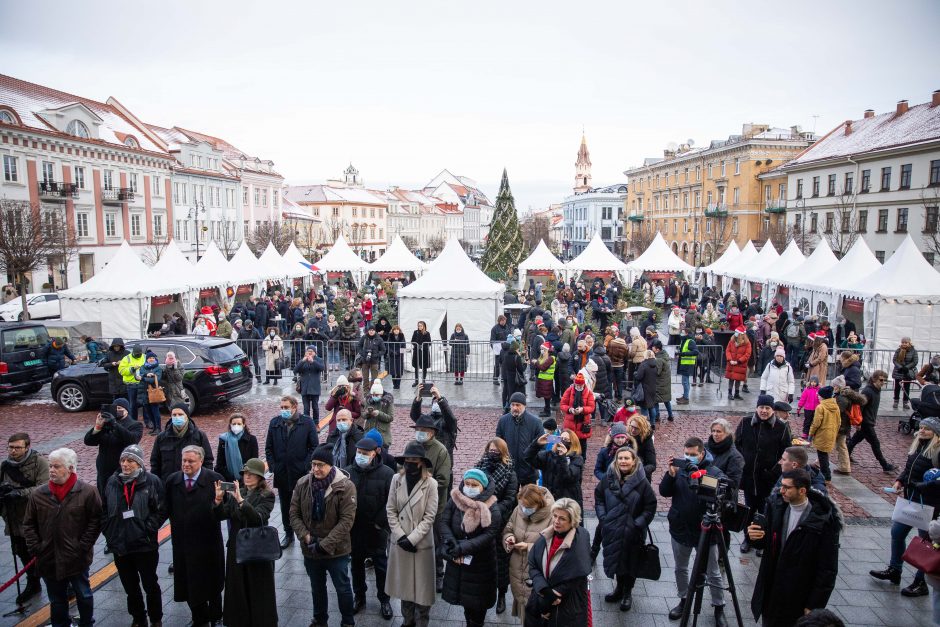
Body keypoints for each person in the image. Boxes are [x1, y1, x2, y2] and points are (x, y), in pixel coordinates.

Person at [747, 469, 842, 627]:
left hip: (798, 592)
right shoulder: (776, 505)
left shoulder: (823, 521)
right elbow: (767, 543)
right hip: (772, 588)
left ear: (802, 490)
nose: (781, 490)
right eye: (782, 486)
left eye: (787, 487)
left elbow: (827, 569)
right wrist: (755, 537)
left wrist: (814, 604)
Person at [24, 449, 101, 624]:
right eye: (50, 466)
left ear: (71, 468)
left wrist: (82, 546)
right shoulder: (38, 494)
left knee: (84, 594)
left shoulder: (88, 492)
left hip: (76, 557)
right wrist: (37, 547)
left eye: (57, 466)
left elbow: (95, 521)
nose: (51, 470)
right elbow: (28, 524)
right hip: (48, 558)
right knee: (56, 599)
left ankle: (86, 622)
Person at [660, 437, 729, 626]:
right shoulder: (680, 469)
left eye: (693, 455)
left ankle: (719, 606)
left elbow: (719, 499)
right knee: (680, 568)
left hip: (705, 530)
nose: (689, 458)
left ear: (702, 453)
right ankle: (684, 600)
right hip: (680, 528)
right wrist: (670, 474)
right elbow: (665, 492)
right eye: (686, 454)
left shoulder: (713, 472)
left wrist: (701, 480)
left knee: (712, 571)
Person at [869, 417, 940, 597]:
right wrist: (901, 479)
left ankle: (920, 581)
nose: (922, 431)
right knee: (897, 533)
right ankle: (895, 569)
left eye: (927, 429)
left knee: (926, 543)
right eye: (921, 427)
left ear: (937, 434)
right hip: (911, 499)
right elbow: (910, 468)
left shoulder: (937, 451)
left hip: (929, 503)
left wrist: (927, 486)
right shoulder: (918, 446)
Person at [290, 444, 358, 627]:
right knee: (317, 587)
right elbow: (294, 513)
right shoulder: (303, 483)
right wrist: (305, 536)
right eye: (313, 464)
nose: (316, 469)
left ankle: (348, 622)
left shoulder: (345, 487)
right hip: (310, 547)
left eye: (320, 465)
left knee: (343, 588)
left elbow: (346, 521)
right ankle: (320, 620)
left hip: (337, 550)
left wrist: (324, 544)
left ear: (331, 465)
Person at [101, 445, 166, 627]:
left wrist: (147, 529)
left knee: (150, 585)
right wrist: (108, 530)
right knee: (130, 587)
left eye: (130, 460)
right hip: (120, 545)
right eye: (123, 460)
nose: (125, 464)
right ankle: (138, 618)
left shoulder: (152, 481)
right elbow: (104, 509)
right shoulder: (112, 482)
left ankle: (156, 619)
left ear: (139, 463)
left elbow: (160, 510)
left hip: (144, 545)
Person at [213, 458, 277, 627]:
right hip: (237, 546)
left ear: (259, 477)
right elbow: (222, 515)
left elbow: (258, 518)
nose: (246, 477)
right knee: (237, 587)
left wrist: (242, 501)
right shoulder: (238, 492)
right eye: (244, 474)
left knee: (258, 588)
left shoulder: (267, 495)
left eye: (251, 474)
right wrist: (218, 501)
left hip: (257, 547)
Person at [165, 445, 225, 626]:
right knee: (189, 581)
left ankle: (215, 616)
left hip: (208, 543)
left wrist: (217, 503)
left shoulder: (215, 480)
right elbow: (165, 508)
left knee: (212, 582)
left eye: (191, 461)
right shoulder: (173, 481)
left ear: (201, 461)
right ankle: (199, 617)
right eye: (184, 460)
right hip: (183, 543)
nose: (186, 464)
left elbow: (225, 512)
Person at [438, 468, 503, 627]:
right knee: (466, 602)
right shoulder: (455, 499)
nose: (469, 487)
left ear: (483, 487)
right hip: (458, 561)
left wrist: (462, 548)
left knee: (478, 606)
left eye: (474, 485)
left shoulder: (491, 507)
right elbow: (444, 522)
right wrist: (451, 543)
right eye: (467, 484)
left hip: (481, 565)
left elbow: (489, 535)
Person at [595, 447, 657, 611]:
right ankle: (618, 588)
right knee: (616, 559)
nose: (623, 461)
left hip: (632, 532)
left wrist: (638, 523)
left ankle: (627, 592)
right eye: (620, 458)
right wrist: (603, 517)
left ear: (634, 461)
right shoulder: (608, 479)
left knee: (631, 563)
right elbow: (599, 497)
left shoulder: (642, 482)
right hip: (613, 528)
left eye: (626, 458)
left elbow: (650, 506)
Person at [386, 441, 439, 627]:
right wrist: (400, 536)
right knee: (405, 587)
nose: (410, 464)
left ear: (421, 463)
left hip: (421, 545)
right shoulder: (396, 480)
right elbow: (390, 509)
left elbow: (430, 516)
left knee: (423, 592)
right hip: (400, 543)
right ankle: (407, 621)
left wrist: (412, 539)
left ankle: (421, 622)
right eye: (407, 460)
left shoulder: (431, 484)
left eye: (414, 460)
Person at [345, 436, 394, 619]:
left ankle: (384, 599)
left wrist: (379, 523)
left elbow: (391, 502)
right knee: (356, 565)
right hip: (355, 529)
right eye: (359, 452)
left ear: (375, 453)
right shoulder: (348, 472)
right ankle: (359, 596)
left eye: (365, 453)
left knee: (381, 566)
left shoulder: (387, 473)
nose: (361, 456)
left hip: (376, 530)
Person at [524, 498, 592, 626]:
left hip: (566, 606)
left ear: (573, 521)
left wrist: (552, 597)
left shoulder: (581, 540)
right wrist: (545, 592)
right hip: (543, 595)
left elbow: (577, 575)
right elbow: (533, 565)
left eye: (562, 518)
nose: (556, 521)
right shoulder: (546, 536)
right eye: (555, 516)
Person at [265, 395, 319, 549]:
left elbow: (314, 446)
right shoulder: (275, 423)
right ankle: (288, 534)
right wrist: (273, 466)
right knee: (285, 505)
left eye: (286, 407)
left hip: (300, 472)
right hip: (282, 472)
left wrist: (306, 465)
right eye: (281, 407)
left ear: (295, 407)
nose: (283, 410)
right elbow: (269, 448)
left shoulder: (307, 422)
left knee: (305, 504)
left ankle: (306, 533)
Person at [0, 432, 48, 604]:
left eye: (18, 447)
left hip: (34, 517)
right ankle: (33, 583)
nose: (13, 451)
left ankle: (61, 584)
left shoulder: (39, 462)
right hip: (13, 518)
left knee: (41, 553)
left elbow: (44, 487)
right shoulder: (5, 465)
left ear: (27, 447)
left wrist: (19, 493)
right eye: (11, 447)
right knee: (22, 552)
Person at [474, 438, 519, 614]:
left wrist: (491, 510)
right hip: (480, 521)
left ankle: (501, 595)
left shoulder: (510, 473)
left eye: (496, 451)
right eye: (490, 450)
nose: (492, 453)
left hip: (500, 521)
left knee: (501, 561)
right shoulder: (479, 468)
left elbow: (509, 499)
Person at [502, 484, 555, 624]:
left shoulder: (552, 517)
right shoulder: (518, 509)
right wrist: (508, 538)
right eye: (521, 504)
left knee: (534, 612)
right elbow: (509, 527)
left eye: (527, 506)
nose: (523, 508)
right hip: (517, 569)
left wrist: (529, 547)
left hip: (536, 573)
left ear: (538, 503)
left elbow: (552, 547)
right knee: (523, 605)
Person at [83, 397, 143, 500]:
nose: (117, 410)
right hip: (103, 469)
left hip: (120, 469)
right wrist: (98, 427)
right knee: (103, 497)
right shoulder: (105, 425)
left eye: (120, 408)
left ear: (126, 411)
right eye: (115, 408)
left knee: (119, 498)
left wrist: (115, 424)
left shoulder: (135, 425)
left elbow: (131, 440)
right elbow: (89, 441)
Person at [847, 370, 898, 473]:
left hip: (869, 421)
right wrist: (859, 423)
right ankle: (885, 465)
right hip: (866, 423)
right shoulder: (868, 391)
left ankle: (845, 455)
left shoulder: (876, 390)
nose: (883, 382)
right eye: (881, 380)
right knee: (875, 444)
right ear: (874, 379)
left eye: (884, 380)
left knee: (855, 440)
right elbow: (860, 408)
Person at [150, 403, 213, 478]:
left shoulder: (199, 436)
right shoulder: (161, 437)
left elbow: (208, 461)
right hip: (168, 483)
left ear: (187, 416)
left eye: (180, 414)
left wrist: (204, 480)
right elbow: (155, 463)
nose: (177, 417)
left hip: (192, 483)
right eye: (174, 415)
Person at [496, 392, 544, 486]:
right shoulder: (503, 421)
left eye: (518, 405)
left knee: (530, 499)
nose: (515, 408)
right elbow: (498, 443)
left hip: (529, 471)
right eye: (512, 405)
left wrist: (534, 462)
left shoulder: (535, 422)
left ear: (524, 406)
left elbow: (542, 446)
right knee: (510, 499)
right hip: (509, 471)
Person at [527, 429, 584, 507]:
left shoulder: (577, 459)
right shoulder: (549, 455)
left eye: (565, 439)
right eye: (560, 439)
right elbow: (528, 458)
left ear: (572, 443)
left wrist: (562, 457)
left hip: (568, 502)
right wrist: (536, 444)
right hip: (550, 500)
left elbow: (567, 477)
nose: (562, 442)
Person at [215, 413, 259, 482]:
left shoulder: (252, 439)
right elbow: (220, 464)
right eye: (234, 424)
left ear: (243, 425)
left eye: (239, 424)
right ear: (230, 425)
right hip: (229, 480)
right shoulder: (223, 440)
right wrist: (231, 478)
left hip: (246, 479)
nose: (236, 426)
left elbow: (254, 461)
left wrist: (243, 477)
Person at [560, 373, 595, 457]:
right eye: (577, 385)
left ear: (583, 384)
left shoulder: (588, 393)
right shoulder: (569, 391)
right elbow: (562, 404)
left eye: (580, 385)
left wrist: (583, 409)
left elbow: (591, 407)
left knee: (582, 444)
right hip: (570, 423)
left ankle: (582, 460)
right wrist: (570, 409)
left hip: (583, 423)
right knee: (569, 443)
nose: (579, 387)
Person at [706, 418, 745, 493]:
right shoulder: (705, 447)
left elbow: (733, 483)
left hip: (723, 497)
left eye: (719, 431)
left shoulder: (735, 456)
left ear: (727, 433)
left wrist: (706, 480)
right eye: (713, 431)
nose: (715, 434)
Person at [809, 386, 840, 481]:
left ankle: (825, 476)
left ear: (823, 396)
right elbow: (839, 422)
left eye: (819, 395)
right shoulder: (836, 406)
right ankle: (825, 475)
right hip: (831, 433)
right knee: (824, 455)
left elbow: (816, 423)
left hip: (822, 434)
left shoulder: (820, 407)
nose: (817, 396)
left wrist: (811, 433)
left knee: (822, 457)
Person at [135, 350, 163, 434]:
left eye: (153, 358)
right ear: (147, 359)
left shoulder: (158, 368)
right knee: (148, 411)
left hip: (153, 392)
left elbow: (155, 379)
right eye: (149, 358)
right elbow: (137, 376)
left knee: (155, 411)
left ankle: (158, 428)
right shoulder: (143, 367)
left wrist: (144, 378)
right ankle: (154, 427)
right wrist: (146, 375)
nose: (151, 359)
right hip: (144, 392)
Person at [294, 345, 324, 421]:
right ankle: (306, 423)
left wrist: (313, 362)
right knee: (306, 408)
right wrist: (302, 361)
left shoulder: (319, 360)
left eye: (312, 351)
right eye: (308, 351)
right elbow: (295, 370)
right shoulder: (303, 360)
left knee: (315, 407)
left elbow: (322, 368)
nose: (310, 353)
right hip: (305, 387)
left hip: (315, 387)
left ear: (315, 353)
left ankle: (316, 423)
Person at [118, 345, 146, 421]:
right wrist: (132, 369)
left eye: (139, 354)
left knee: (145, 403)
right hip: (131, 384)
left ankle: (147, 421)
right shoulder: (127, 358)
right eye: (137, 354)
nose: (138, 355)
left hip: (143, 383)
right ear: (133, 352)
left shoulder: (144, 357)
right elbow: (121, 370)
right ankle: (133, 421)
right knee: (133, 404)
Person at [501, 337, 527, 410]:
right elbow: (521, 369)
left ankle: (508, 407)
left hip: (509, 377)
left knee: (510, 393)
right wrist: (525, 364)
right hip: (516, 378)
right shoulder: (517, 357)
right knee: (516, 393)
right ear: (516, 349)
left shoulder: (506, 356)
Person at [892, 337, 919, 410]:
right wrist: (900, 367)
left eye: (905, 342)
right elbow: (894, 360)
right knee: (897, 387)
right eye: (902, 342)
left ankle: (905, 402)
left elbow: (915, 361)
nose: (904, 344)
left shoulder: (913, 351)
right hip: (898, 371)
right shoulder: (898, 350)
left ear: (909, 343)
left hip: (908, 371)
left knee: (906, 388)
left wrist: (906, 367)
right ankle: (896, 401)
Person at [725, 326, 751, 400]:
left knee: (738, 379)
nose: (735, 333)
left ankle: (737, 393)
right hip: (731, 362)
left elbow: (747, 354)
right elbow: (728, 350)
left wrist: (739, 361)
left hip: (740, 364)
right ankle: (729, 393)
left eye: (737, 332)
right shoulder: (732, 341)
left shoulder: (747, 343)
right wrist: (730, 359)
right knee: (731, 378)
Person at [101, 337, 130, 401]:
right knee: (116, 401)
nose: (116, 348)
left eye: (118, 346)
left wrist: (122, 363)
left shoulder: (127, 353)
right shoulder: (109, 354)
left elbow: (131, 364)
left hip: (124, 380)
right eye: (115, 346)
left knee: (125, 400)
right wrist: (112, 364)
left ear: (121, 346)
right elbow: (104, 364)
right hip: (114, 381)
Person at [652, 340, 675, 421]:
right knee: (666, 400)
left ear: (657, 349)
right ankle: (670, 415)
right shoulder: (665, 355)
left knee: (656, 400)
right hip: (665, 382)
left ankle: (656, 416)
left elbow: (657, 372)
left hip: (659, 383)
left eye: (653, 347)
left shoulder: (658, 359)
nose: (652, 348)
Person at [533, 342, 556, 417]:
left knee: (547, 397)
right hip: (543, 380)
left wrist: (536, 363)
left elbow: (543, 368)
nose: (541, 351)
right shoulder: (543, 357)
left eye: (543, 349)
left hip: (547, 380)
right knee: (546, 396)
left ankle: (547, 411)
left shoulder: (551, 358)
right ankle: (546, 409)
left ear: (547, 350)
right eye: (541, 349)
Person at [675, 329, 698, 404]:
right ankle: (685, 396)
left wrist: (683, 354)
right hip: (684, 363)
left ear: (687, 333)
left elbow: (695, 352)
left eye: (683, 332)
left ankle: (686, 398)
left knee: (685, 382)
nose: (681, 334)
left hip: (688, 364)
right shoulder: (684, 340)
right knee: (684, 381)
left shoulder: (690, 341)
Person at [411, 320, 432, 387]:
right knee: (416, 366)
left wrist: (423, 346)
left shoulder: (427, 333)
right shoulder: (415, 332)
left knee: (424, 366)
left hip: (424, 352)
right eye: (419, 326)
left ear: (424, 326)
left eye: (421, 326)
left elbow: (429, 342)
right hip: (417, 351)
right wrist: (417, 345)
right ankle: (416, 381)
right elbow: (412, 341)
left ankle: (423, 380)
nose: (419, 327)